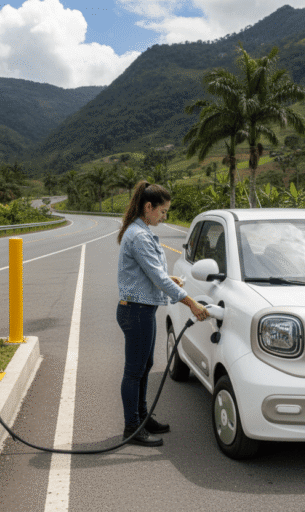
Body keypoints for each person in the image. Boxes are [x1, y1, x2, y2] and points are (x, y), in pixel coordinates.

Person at [117, 180, 209, 447]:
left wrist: (168, 278)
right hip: (136, 312)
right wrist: (191, 303)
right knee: (134, 371)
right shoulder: (139, 236)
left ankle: (143, 418)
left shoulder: (140, 231)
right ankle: (132, 427)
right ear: (148, 207)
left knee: (145, 367)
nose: (164, 216)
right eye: (163, 211)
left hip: (142, 310)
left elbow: (150, 274)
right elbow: (156, 277)